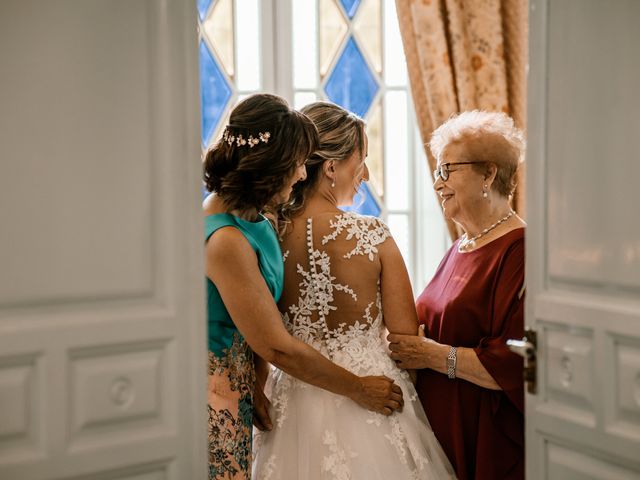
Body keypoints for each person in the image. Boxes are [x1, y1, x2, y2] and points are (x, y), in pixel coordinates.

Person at [203, 94, 404, 480]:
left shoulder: (257, 219)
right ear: (270, 166)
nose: (301, 175)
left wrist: (258, 382)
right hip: (214, 397)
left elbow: (262, 312)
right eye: (297, 164)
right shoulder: (224, 239)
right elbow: (275, 342)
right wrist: (359, 388)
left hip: (246, 390)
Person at [251, 101, 456, 479]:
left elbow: (255, 328)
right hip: (375, 394)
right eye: (360, 161)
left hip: (292, 397)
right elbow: (404, 338)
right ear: (331, 167)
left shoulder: (265, 233)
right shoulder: (374, 235)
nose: (364, 174)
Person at [388, 110, 526, 479]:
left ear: (489, 173)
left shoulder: (520, 250)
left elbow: (512, 365)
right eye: (437, 171)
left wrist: (431, 356)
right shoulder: (462, 245)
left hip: (484, 433)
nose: (438, 183)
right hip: (440, 426)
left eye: (448, 169)